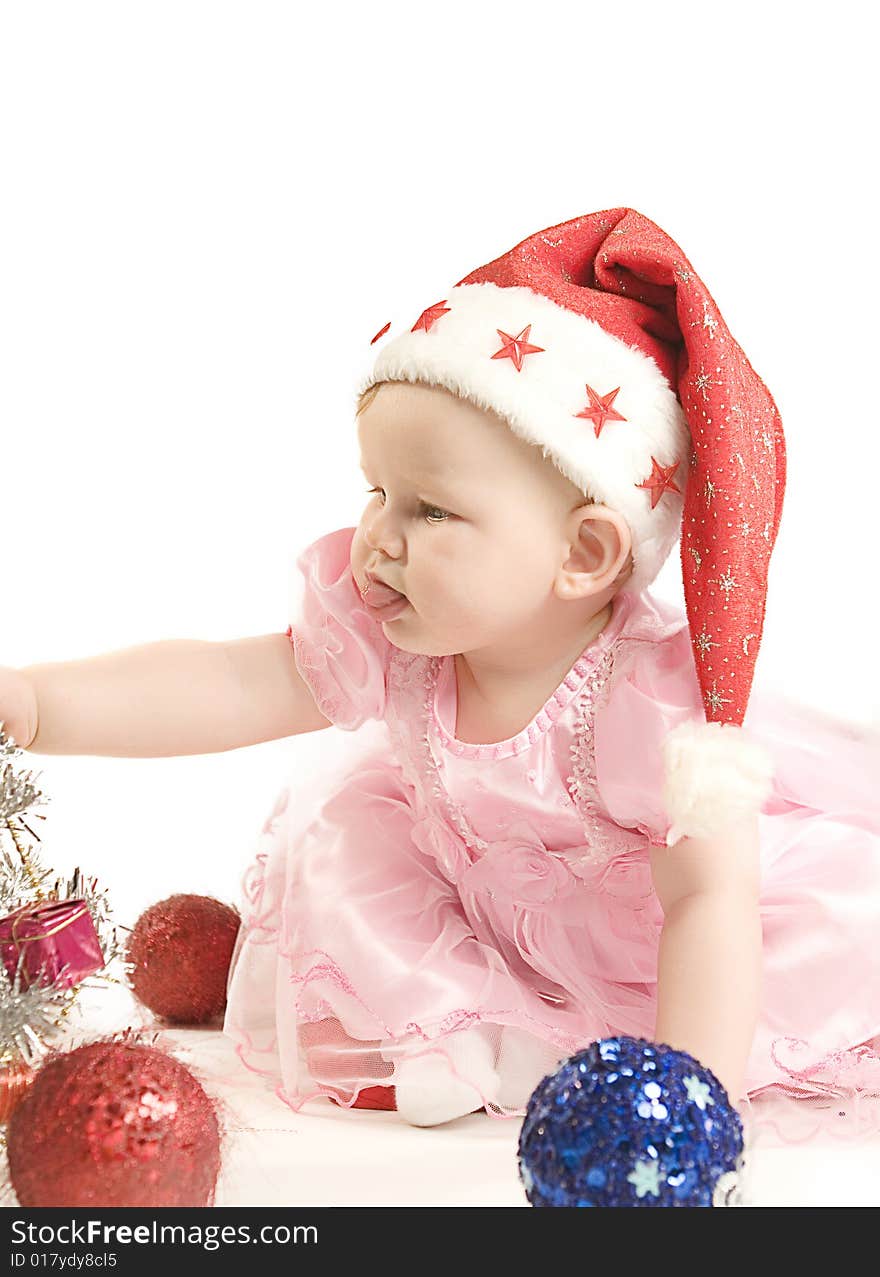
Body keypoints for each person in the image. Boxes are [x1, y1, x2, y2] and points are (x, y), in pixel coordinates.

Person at [6, 208, 880, 1135]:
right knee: (350, 836)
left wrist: (687, 1101)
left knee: (819, 946)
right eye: (377, 490)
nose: (377, 536)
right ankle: (477, 1028)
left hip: (674, 949)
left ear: (584, 551)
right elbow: (231, 685)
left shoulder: (652, 708)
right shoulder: (397, 636)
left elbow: (709, 902)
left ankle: (594, 1053)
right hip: (497, 917)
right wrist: (36, 700)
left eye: (430, 510)